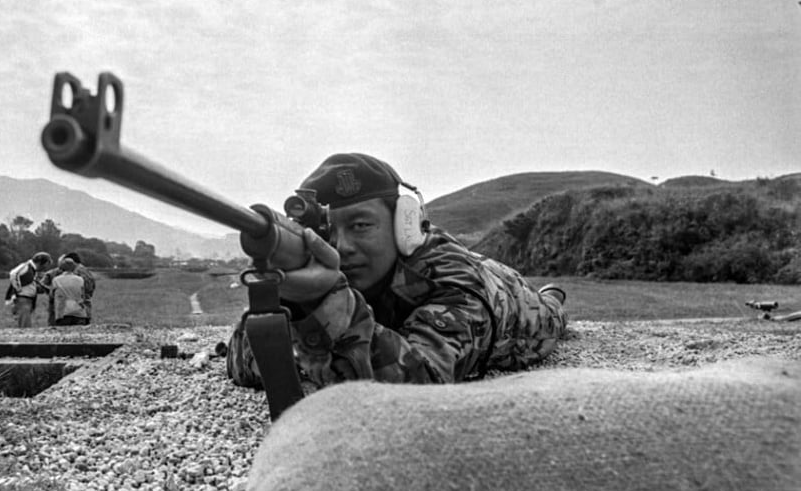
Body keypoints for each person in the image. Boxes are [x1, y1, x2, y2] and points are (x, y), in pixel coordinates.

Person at [227, 152, 568, 389]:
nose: (341, 246)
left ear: (403, 226)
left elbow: (419, 384)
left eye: (361, 225)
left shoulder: (452, 279)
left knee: (551, 311)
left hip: (512, 298)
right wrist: (293, 301)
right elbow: (242, 363)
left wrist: (324, 309)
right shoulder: (337, 270)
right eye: (328, 232)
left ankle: (553, 295)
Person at [42, 251, 96, 326]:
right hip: (83, 310)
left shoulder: (77, 273)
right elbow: (90, 290)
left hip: (68, 310)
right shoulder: (85, 271)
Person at [7, 252, 52, 328]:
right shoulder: (25, 266)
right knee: (25, 325)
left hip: (28, 300)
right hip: (23, 299)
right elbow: (13, 274)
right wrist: (18, 288)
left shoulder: (32, 270)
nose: (45, 268)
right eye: (46, 264)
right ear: (40, 262)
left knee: (25, 324)